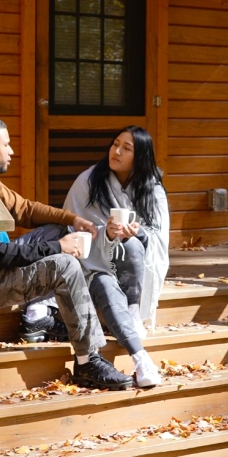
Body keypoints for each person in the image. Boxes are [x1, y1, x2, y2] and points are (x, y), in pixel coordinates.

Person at [0, 114, 132, 390]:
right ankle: (87, 361)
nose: (12, 150)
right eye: (7, 144)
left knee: (58, 230)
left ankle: (45, 316)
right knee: (65, 264)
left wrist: (70, 219)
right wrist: (59, 248)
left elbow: (23, 209)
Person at [62, 126, 170, 387]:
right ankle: (141, 358)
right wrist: (106, 233)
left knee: (133, 246)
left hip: (129, 266)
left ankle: (133, 307)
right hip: (90, 265)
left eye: (126, 148)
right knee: (103, 283)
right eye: (115, 144)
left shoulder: (152, 189)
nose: (117, 151)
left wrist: (139, 234)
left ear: (140, 156)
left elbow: (159, 236)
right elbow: (71, 226)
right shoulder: (89, 180)